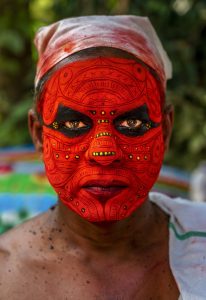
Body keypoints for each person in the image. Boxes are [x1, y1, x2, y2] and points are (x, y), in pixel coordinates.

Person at [0, 15, 206, 300]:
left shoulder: (200, 235)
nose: (103, 153)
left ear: (165, 130)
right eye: (74, 124)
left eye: (132, 124)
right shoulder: (6, 276)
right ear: (38, 134)